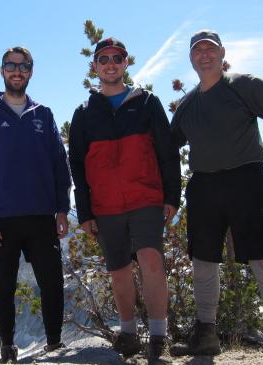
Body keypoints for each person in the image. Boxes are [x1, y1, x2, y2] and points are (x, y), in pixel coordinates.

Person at [169, 30, 263, 365]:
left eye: (210, 49)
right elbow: (165, 149)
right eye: (197, 50)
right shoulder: (187, 106)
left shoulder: (242, 85)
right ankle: (207, 336)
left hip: (247, 178)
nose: (204, 55)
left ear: (222, 53)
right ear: (191, 58)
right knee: (203, 261)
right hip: (203, 186)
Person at [68, 37, 181, 364]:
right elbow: (76, 163)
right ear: (95, 67)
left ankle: (159, 335)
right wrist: (85, 210)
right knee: (118, 271)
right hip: (106, 206)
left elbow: (166, 151)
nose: (111, 64)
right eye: (104, 59)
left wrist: (172, 195)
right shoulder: (85, 113)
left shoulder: (146, 102)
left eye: (117, 58)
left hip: (145, 196)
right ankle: (129, 334)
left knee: (151, 262)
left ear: (126, 63)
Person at [0, 46, 71, 364]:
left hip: (42, 215)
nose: (17, 71)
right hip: (3, 219)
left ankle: (55, 343)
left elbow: (59, 163)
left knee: (52, 282)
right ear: (1, 71)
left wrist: (63, 209)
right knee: (4, 287)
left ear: (31, 72)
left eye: (23, 66)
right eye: (10, 65)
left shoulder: (44, 114)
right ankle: (9, 347)